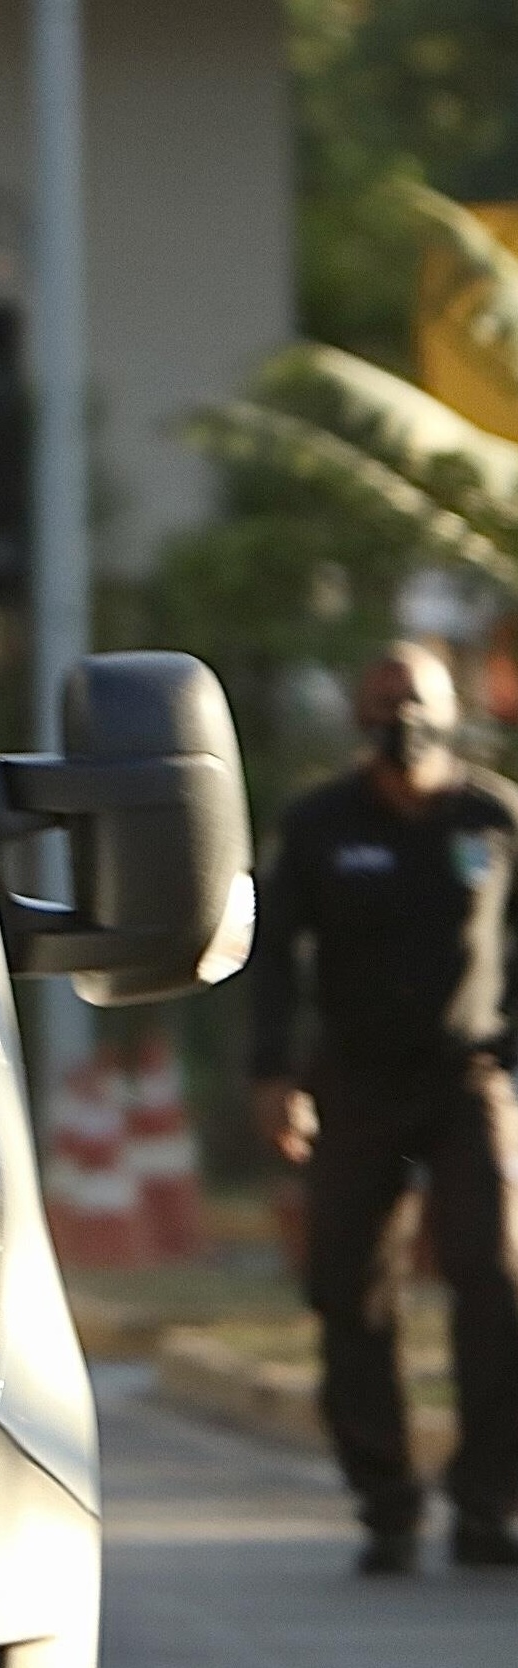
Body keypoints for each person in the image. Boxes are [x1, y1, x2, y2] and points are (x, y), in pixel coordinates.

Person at [249, 641, 518, 1576]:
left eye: (417, 699)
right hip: (354, 1084)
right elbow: (274, 952)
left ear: (450, 709)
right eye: (383, 700)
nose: (401, 717)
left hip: (467, 1079)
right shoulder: (322, 823)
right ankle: (388, 1504)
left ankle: (488, 1506)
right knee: (349, 1291)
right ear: (360, 715)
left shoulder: (493, 816)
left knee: (495, 1279)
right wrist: (271, 1074)